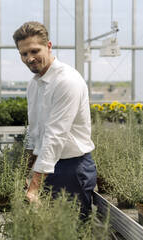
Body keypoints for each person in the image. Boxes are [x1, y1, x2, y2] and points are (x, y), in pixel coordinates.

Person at [13, 21, 97, 218]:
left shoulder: (67, 81)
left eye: (35, 51)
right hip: (46, 167)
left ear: (48, 46)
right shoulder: (34, 85)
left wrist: (34, 186)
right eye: (24, 54)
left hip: (72, 170)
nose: (29, 58)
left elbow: (55, 136)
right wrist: (24, 171)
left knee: (72, 230)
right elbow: (33, 131)